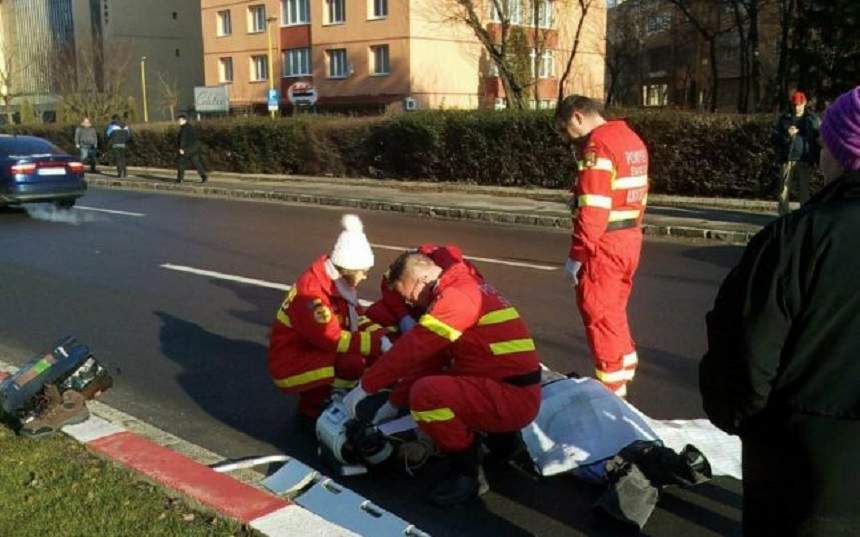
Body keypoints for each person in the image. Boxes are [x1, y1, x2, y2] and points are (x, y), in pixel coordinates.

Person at [700, 85, 860, 537]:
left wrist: (741, 420)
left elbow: (746, 352)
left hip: (803, 471)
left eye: (826, 142)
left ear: (843, 151)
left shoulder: (794, 240)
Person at [343, 245, 542, 507]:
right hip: (510, 389)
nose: (411, 304)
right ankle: (503, 443)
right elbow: (434, 359)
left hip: (511, 398)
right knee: (440, 381)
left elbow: (416, 348)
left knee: (427, 396)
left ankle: (466, 473)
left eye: (410, 296)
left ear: (422, 280)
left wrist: (366, 387)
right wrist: (393, 404)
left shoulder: (455, 298)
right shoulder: (464, 285)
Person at [554, 95, 649, 398]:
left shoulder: (598, 146)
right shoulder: (630, 139)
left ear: (578, 117)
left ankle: (612, 393)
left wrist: (577, 255)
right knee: (614, 309)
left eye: (567, 129)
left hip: (604, 244)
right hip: (629, 236)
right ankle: (624, 366)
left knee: (597, 311)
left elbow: (593, 209)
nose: (570, 139)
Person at [267, 214, 390, 419]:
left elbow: (357, 316)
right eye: (363, 272)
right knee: (351, 364)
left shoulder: (337, 283)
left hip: (308, 349)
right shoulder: (313, 295)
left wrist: (381, 334)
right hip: (291, 360)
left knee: (360, 355)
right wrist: (378, 344)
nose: (365, 277)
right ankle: (313, 410)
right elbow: (332, 338)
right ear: (348, 269)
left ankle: (332, 394)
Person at [772, 90, 820, 215]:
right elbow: (774, 138)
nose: (796, 107)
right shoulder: (784, 119)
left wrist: (815, 157)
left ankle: (804, 214)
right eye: (794, 105)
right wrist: (787, 136)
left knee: (804, 189)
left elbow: (818, 138)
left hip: (803, 158)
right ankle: (783, 215)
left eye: (799, 104)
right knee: (784, 189)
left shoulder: (811, 119)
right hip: (787, 158)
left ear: (804, 103)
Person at [176, 114, 208, 184]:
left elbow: (183, 139)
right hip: (194, 149)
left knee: (181, 163)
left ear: (185, 120)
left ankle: (180, 179)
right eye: (178, 120)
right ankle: (204, 176)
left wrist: (181, 148)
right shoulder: (191, 127)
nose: (179, 122)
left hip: (186, 150)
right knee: (197, 163)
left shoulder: (184, 129)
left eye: (180, 120)